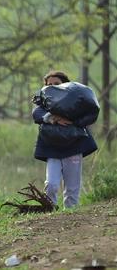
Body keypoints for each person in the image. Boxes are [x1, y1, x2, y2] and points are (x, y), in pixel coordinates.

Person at [32, 71, 97, 208]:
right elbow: (36, 113)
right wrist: (52, 118)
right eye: (49, 84)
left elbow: (90, 114)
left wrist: (73, 121)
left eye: (57, 84)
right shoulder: (45, 101)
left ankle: (70, 216)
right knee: (51, 184)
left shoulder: (76, 101)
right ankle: (50, 211)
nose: (52, 87)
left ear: (66, 85)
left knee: (72, 188)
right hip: (52, 148)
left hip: (74, 146)